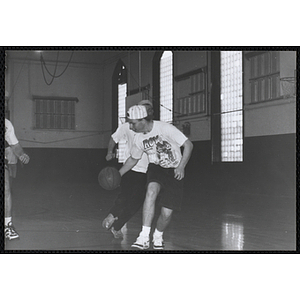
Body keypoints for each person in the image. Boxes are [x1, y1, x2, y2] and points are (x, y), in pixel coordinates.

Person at [119, 105, 193, 250]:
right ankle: (144, 236)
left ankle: (158, 236)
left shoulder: (165, 128)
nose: (131, 126)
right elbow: (133, 159)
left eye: (133, 123)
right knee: (151, 190)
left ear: (142, 120)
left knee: (166, 213)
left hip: (174, 170)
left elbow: (188, 145)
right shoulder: (139, 138)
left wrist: (181, 166)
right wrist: (119, 174)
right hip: (156, 168)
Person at [102, 100, 153, 239]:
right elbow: (113, 138)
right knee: (126, 196)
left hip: (147, 171)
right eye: (144, 108)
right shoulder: (127, 126)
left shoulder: (154, 127)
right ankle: (112, 216)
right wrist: (109, 152)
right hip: (130, 167)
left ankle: (115, 222)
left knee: (135, 202)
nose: (147, 111)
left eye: (149, 109)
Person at [5, 118, 30, 240]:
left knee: (6, 189)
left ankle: (7, 226)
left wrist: (22, 154)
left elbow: (14, 145)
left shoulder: (6, 124)